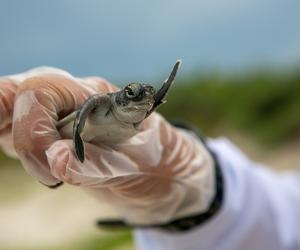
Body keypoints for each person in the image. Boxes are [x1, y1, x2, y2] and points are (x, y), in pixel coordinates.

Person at [1, 67, 300, 250]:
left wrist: (189, 183)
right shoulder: (103, 101)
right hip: (77, 129)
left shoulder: (142, 115)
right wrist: (213, 185)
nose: (142, 98)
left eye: (148, 97)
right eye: (131, 93)